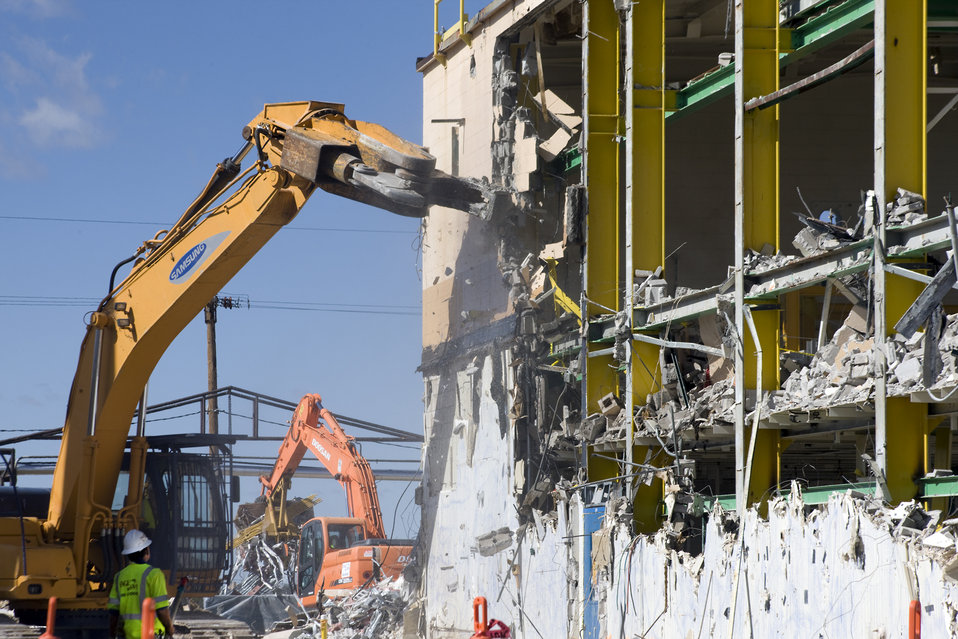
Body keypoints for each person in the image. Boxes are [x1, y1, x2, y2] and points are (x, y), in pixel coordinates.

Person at [108, 530, 174, 639]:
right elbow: (162, 610)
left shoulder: (119, 577)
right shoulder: (155, 575)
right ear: (146, 551)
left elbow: (114, 613)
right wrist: (170, 629)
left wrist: (112, 634)